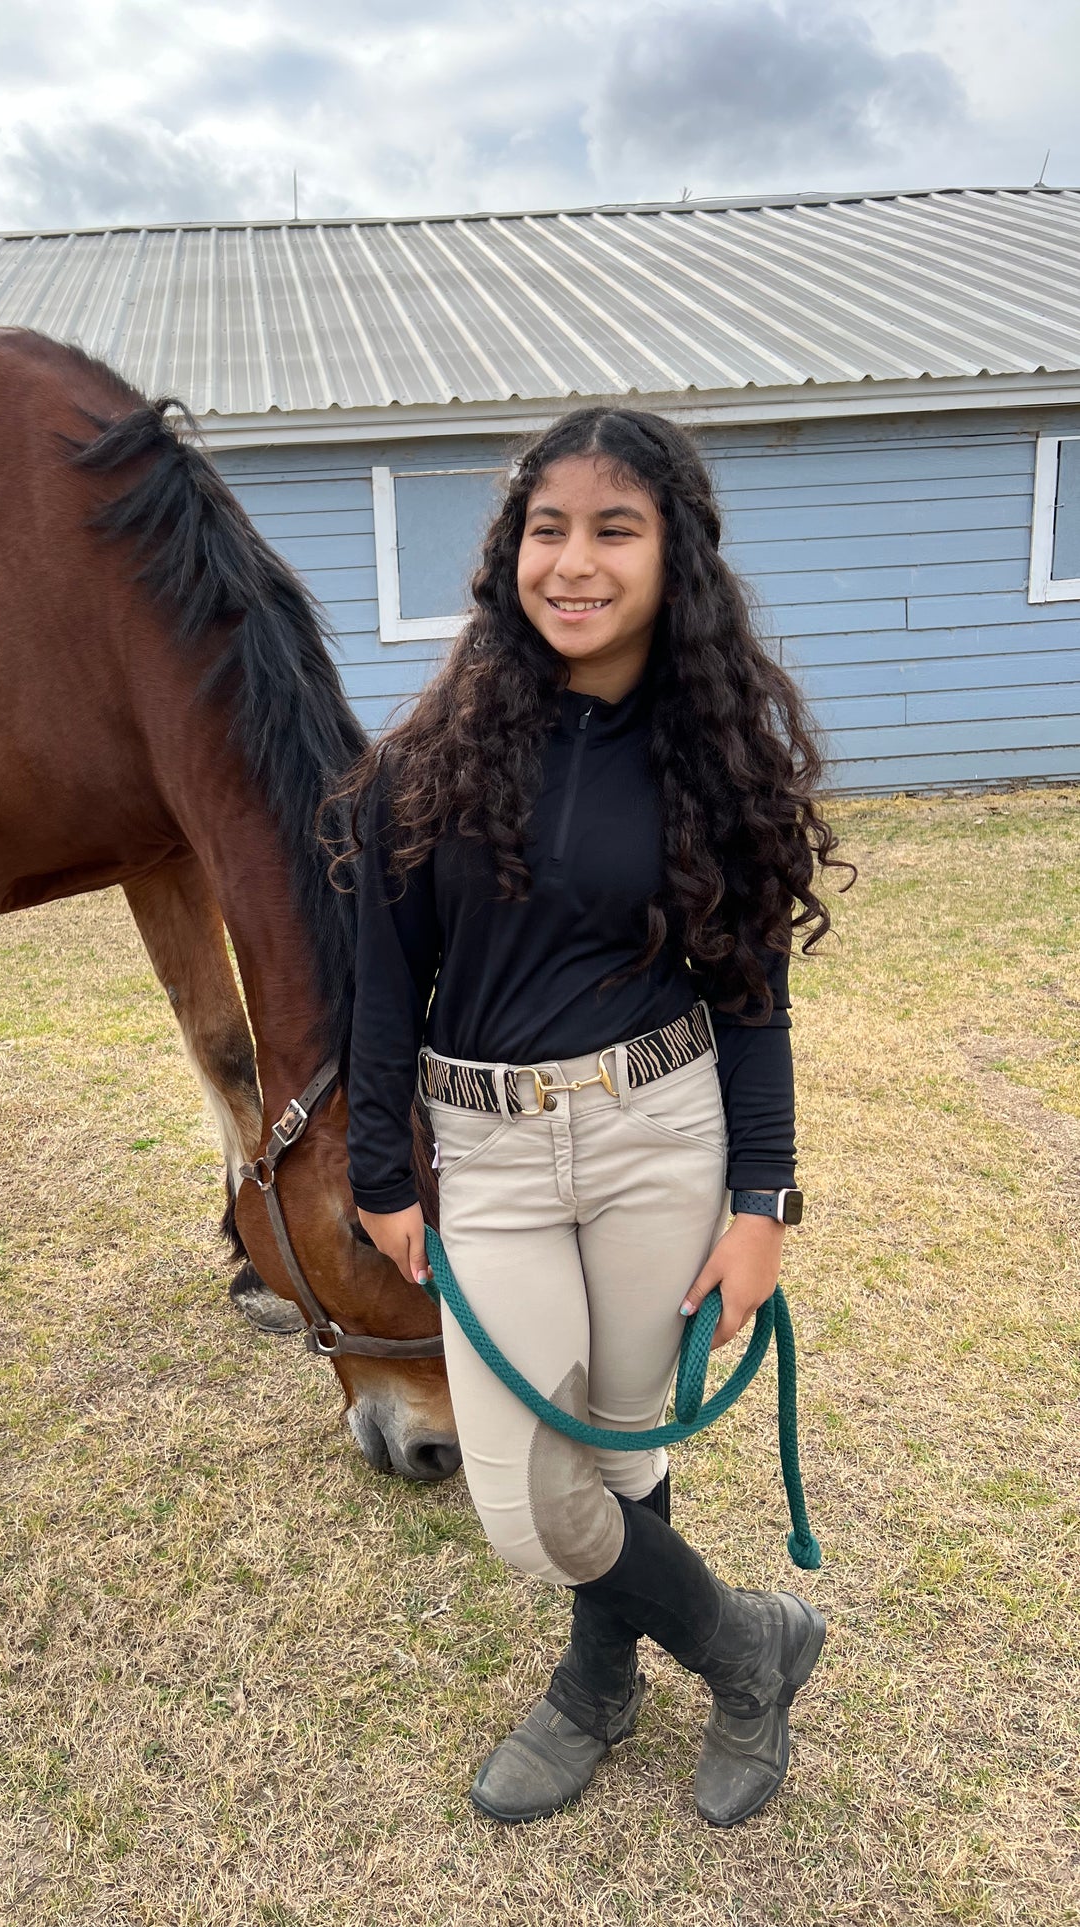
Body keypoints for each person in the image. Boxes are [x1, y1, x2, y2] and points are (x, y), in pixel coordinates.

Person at [333, 407, 853, 1829]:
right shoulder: (422, 760)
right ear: (511, 552)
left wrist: (762, 1204)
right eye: (546, 529)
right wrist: (384, 1174)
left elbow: (748, 1002)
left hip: (657, 1136)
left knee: (623, 1451)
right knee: (525, 1502)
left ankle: (594, 1688)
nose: (573, 561)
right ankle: (749, 1647)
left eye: (612, 528)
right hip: (485, 1153)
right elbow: (381, 990)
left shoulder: (716, 761)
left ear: (670, 553)